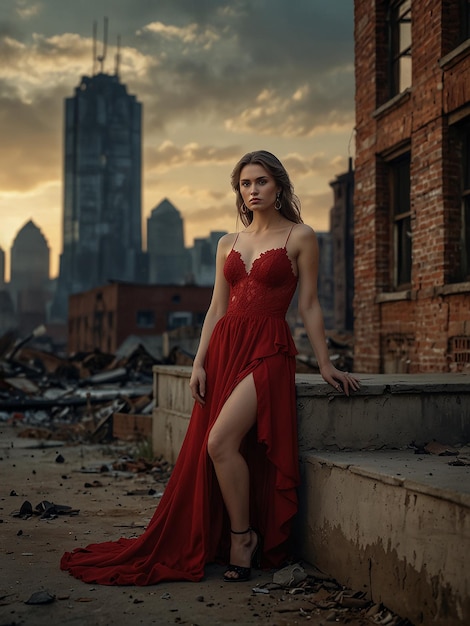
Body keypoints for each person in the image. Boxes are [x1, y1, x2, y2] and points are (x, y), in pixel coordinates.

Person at [60, 150, 359, 586]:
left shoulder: (301, 236)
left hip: (268, 350)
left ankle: (243, 539)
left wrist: (327, 363)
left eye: (260, 182)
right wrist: (198, 363)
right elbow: (216, 308)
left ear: (279, 186)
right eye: (244, 184)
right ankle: (238, 534)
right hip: (224, 349)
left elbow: (309, 306)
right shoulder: (227, 243)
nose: (252, 190)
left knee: (219, 442)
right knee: (214, 446)